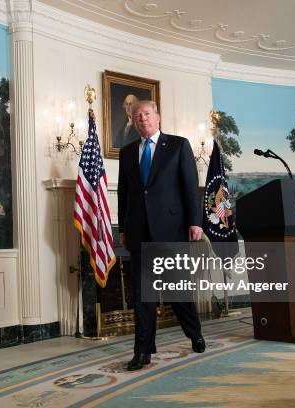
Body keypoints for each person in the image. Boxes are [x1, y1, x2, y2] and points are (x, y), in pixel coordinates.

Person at [117, 100, 206, 371]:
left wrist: (195, 222)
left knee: (177, 291)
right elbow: (124, 193)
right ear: (133, 122)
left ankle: (195, 334)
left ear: (157, 116)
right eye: (137, 116)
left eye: (146, 114)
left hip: (171, 230)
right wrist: (123, 228)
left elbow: (190, 187)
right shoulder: (128, 152)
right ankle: (142, 351)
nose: (142, 119)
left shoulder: (178, 145)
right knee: (143, 296)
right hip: (139, 232)